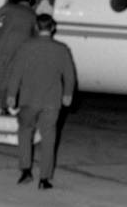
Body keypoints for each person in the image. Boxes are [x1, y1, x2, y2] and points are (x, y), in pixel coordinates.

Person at [6, 14, 76, 190]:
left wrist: (11, 94)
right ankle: (44, 179)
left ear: (36, 28)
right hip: (52, 101)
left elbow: (16, 73)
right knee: (49, 138)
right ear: (52, 28)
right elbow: (69, 76)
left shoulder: (25, 47)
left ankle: (25, 171)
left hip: (28, 99)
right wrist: (67, 94)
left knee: (25, 133)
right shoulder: (62, 49)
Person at [0, 0, 37, 113]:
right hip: (20, 49)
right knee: (9, 78)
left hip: (3, 46)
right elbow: (34, 35)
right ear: (30, 2)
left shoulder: (9, 8)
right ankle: (2, 107)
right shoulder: (33, 14)